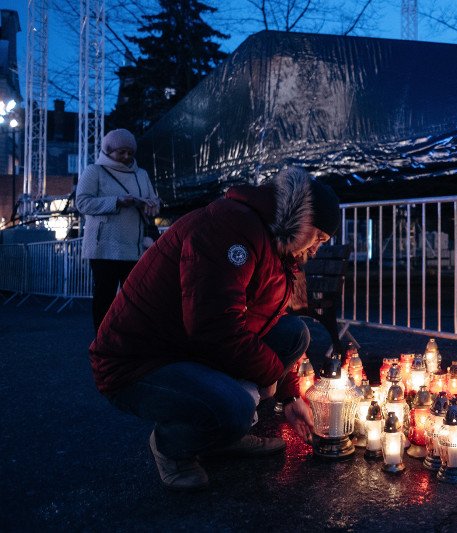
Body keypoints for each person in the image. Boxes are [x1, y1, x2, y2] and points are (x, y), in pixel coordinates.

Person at [89, 166, 340, 491]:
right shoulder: (230, 227)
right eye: (318, 237)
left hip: (188, 347)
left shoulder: (276, 245)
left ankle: (221, 436)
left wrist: (291, 392)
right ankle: (172, 446)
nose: (317, 249)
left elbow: (265, 322)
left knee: (294, 335)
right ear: (301, 220)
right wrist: (270, 375)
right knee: (233, 406)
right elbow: (214, 327)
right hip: (140, 361)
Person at [76, 128, 160, 332]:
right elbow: (82, 203)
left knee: (135, 297)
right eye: (121, 152)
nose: (126, 157)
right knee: (104, 296)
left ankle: (128, 338)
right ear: (107, 150)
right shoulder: (94, 171)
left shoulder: (142, 174)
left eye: (130, 153)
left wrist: (151, 204)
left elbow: (155, 202)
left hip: (134, 246)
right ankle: (103, 339)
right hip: (104, 247)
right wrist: (117, 202)